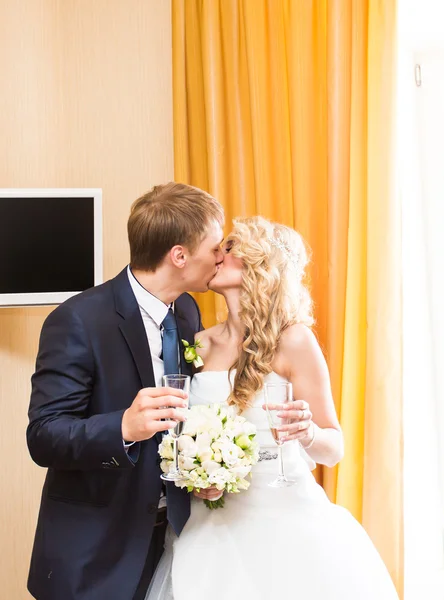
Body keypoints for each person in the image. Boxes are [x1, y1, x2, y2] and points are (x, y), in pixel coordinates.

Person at [147, 216, 400, 600]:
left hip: (285, 519)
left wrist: (308, 432)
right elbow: (184, 428)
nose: (216, 255)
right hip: (211, 529)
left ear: (257, 264)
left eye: (228, 248)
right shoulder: (199, 342)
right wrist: (197, 476)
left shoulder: (294, 341)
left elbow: (334, 448)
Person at [26, 182, 225, 600]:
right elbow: (44, 436)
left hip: (174, 539)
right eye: (215, 246)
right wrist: (123, 427)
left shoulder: (187, 310)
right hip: (97, 551)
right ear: (179, 255)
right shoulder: (78, 320)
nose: (221, 256)